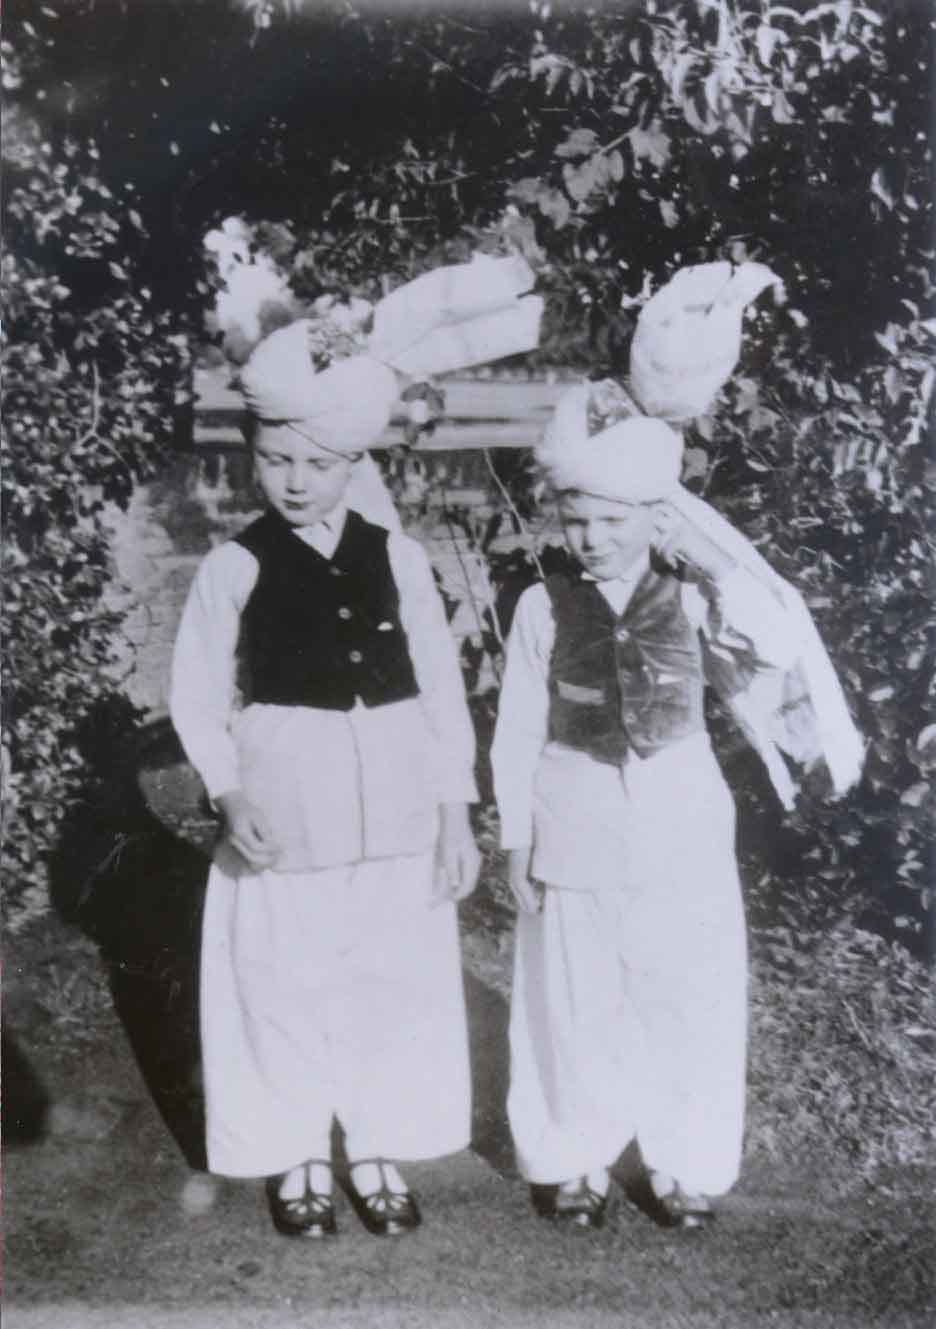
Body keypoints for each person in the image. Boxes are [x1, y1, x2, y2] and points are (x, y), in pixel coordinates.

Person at [491, 385, 863, 1231]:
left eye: (612, 521)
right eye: (577, 520)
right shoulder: (542, 605)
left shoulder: (693, 594)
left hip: (679, 811)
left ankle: (681, 1158)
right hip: (573, 806)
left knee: (683, 989)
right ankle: (574, 1154)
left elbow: (776, 641)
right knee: (575, 993)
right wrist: (516, 835)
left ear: (653, 517)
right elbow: (517, 728)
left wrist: (707, 561)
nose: (592, 538)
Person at [169, 321, 487, 1240]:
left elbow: (441, 689)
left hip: (395, 792)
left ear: (352, 463)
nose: (296, 480)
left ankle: (377, 1142)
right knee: (285, 976)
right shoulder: (234, 565)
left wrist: (455, 811)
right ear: (253, 460)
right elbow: (196, 694)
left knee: (389, 974)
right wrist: (229, 792)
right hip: (287, 793)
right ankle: (297, 1146)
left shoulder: (401, 557)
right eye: (276, 461)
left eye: (315, 463)